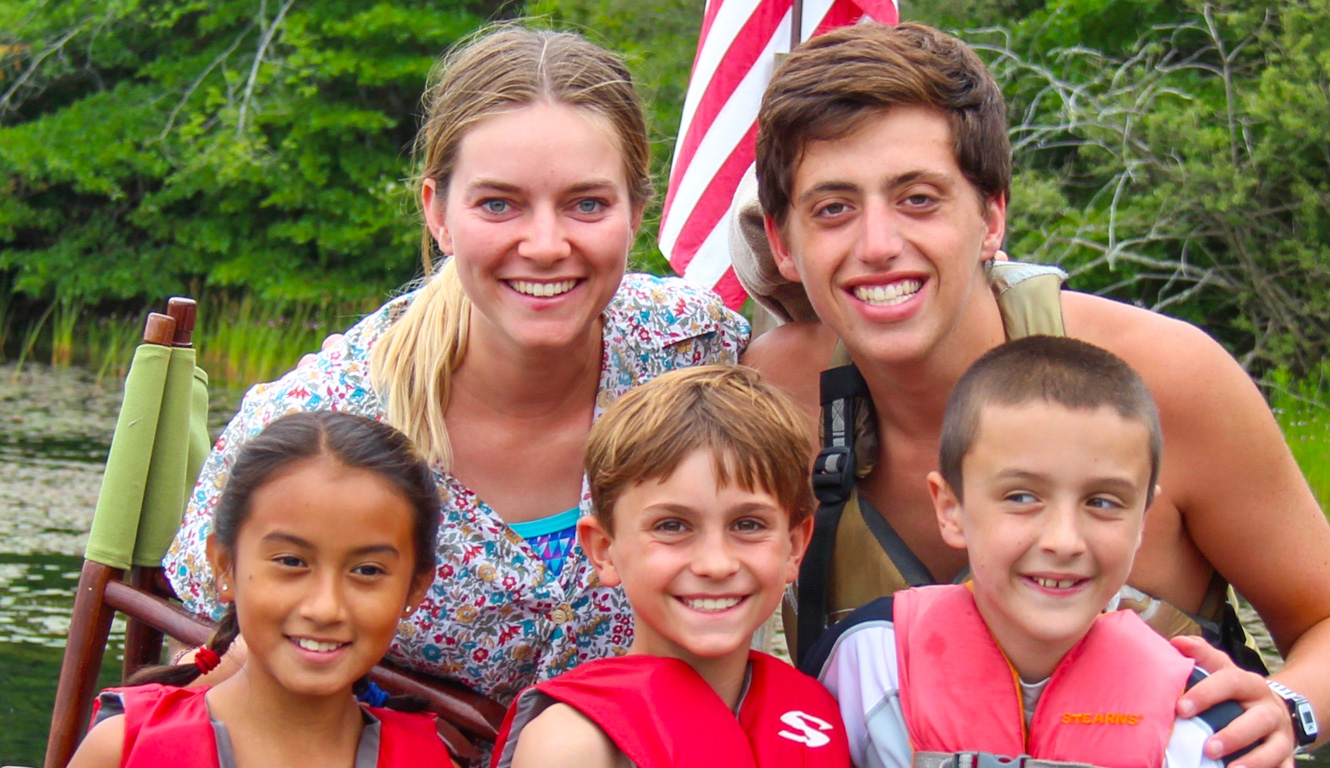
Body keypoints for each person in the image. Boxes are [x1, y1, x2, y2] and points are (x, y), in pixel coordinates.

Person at [737, 21, 1329, 767]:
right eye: (833, 208)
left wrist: (1291, 707)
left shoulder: (1166, 381)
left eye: (918, 199)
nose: (878, 243)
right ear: (784, 244)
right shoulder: (770, 403)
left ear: (991, 218)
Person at [163, 25, 748, 711]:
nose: (545, 244)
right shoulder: (313, 423)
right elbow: (193, 661)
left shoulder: (697, 350)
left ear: (636, 212)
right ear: (437, 212)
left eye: (587, 204)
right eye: (498, 204)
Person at [804, 337, 1247, 768]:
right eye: (1021, 497)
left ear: (1142, 520)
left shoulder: (1199, 720)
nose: (1064, 541)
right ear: (950, 508)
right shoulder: (866, 663)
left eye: (1104, 502)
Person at [491, 366, 850, 768]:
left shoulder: (820, 711)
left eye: (748, 524)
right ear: (605, 550)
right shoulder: (575, 744)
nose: (716, 564)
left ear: (795, 546)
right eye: (672, 526)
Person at [69, 412, 454, 768]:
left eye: (367, 570)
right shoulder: (124, 750)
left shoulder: (427, 759)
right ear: (224, 565)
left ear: (414, 588)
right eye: (290, 561)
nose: (325, 608)